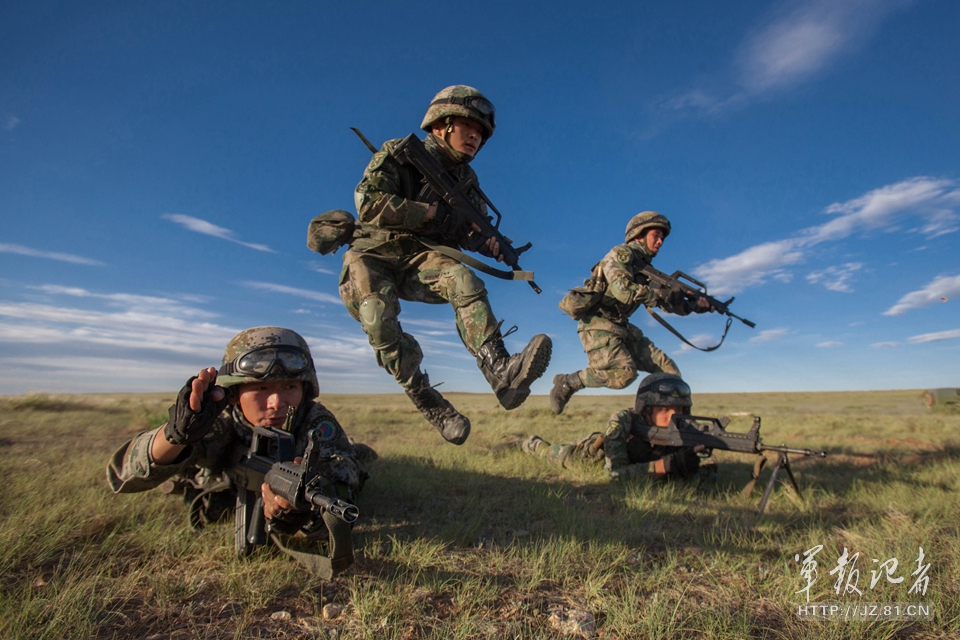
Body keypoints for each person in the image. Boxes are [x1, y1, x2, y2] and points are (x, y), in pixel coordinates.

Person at [339, 85, 552, 445]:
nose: (475, 138)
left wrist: (491, 245)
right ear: (441, 124)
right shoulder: (400, 153)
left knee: (462, 278)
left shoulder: (467, 183)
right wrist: (434, 213)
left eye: (481, 134)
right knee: (377, 318)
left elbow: (470, 230)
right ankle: (427, 399)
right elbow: (369, 204)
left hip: (422, 258)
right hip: (374, 253)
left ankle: (501, 371)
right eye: (468, 128)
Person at [106, 327, 372, 572]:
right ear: (234, 393)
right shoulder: (215, 423)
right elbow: (124, 475)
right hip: (225, 481)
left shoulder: (314, 420)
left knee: (360, 456)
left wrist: (301, 509)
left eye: (290, 386)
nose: (276, 402)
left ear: (305, 388)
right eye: (261, 388)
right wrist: (175, 437)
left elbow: (343, 473)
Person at [550, 211, 712, 414]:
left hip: (621, 326)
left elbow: (666, 304)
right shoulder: (620, 255)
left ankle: (668, 424)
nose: (661, 241)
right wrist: (660, 293)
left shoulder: (647, 270)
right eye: (656, 235)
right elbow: (622, 290)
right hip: (598, 324)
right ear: (638, 235)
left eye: (663, 237)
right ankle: (568, 383)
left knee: (669, 371)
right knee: (624, 374)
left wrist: (695, 305)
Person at [520, 373, 716, 481]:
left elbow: (707, 475)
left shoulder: (688, 430)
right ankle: (526, 444)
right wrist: (667, 466)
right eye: (664, 408)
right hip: (592, 456)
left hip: (635, 464)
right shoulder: (623, 420)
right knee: (552, 453)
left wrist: (692, 467)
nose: (674, 415)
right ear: (646, 409)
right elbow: (615, 475)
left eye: (679, 408)